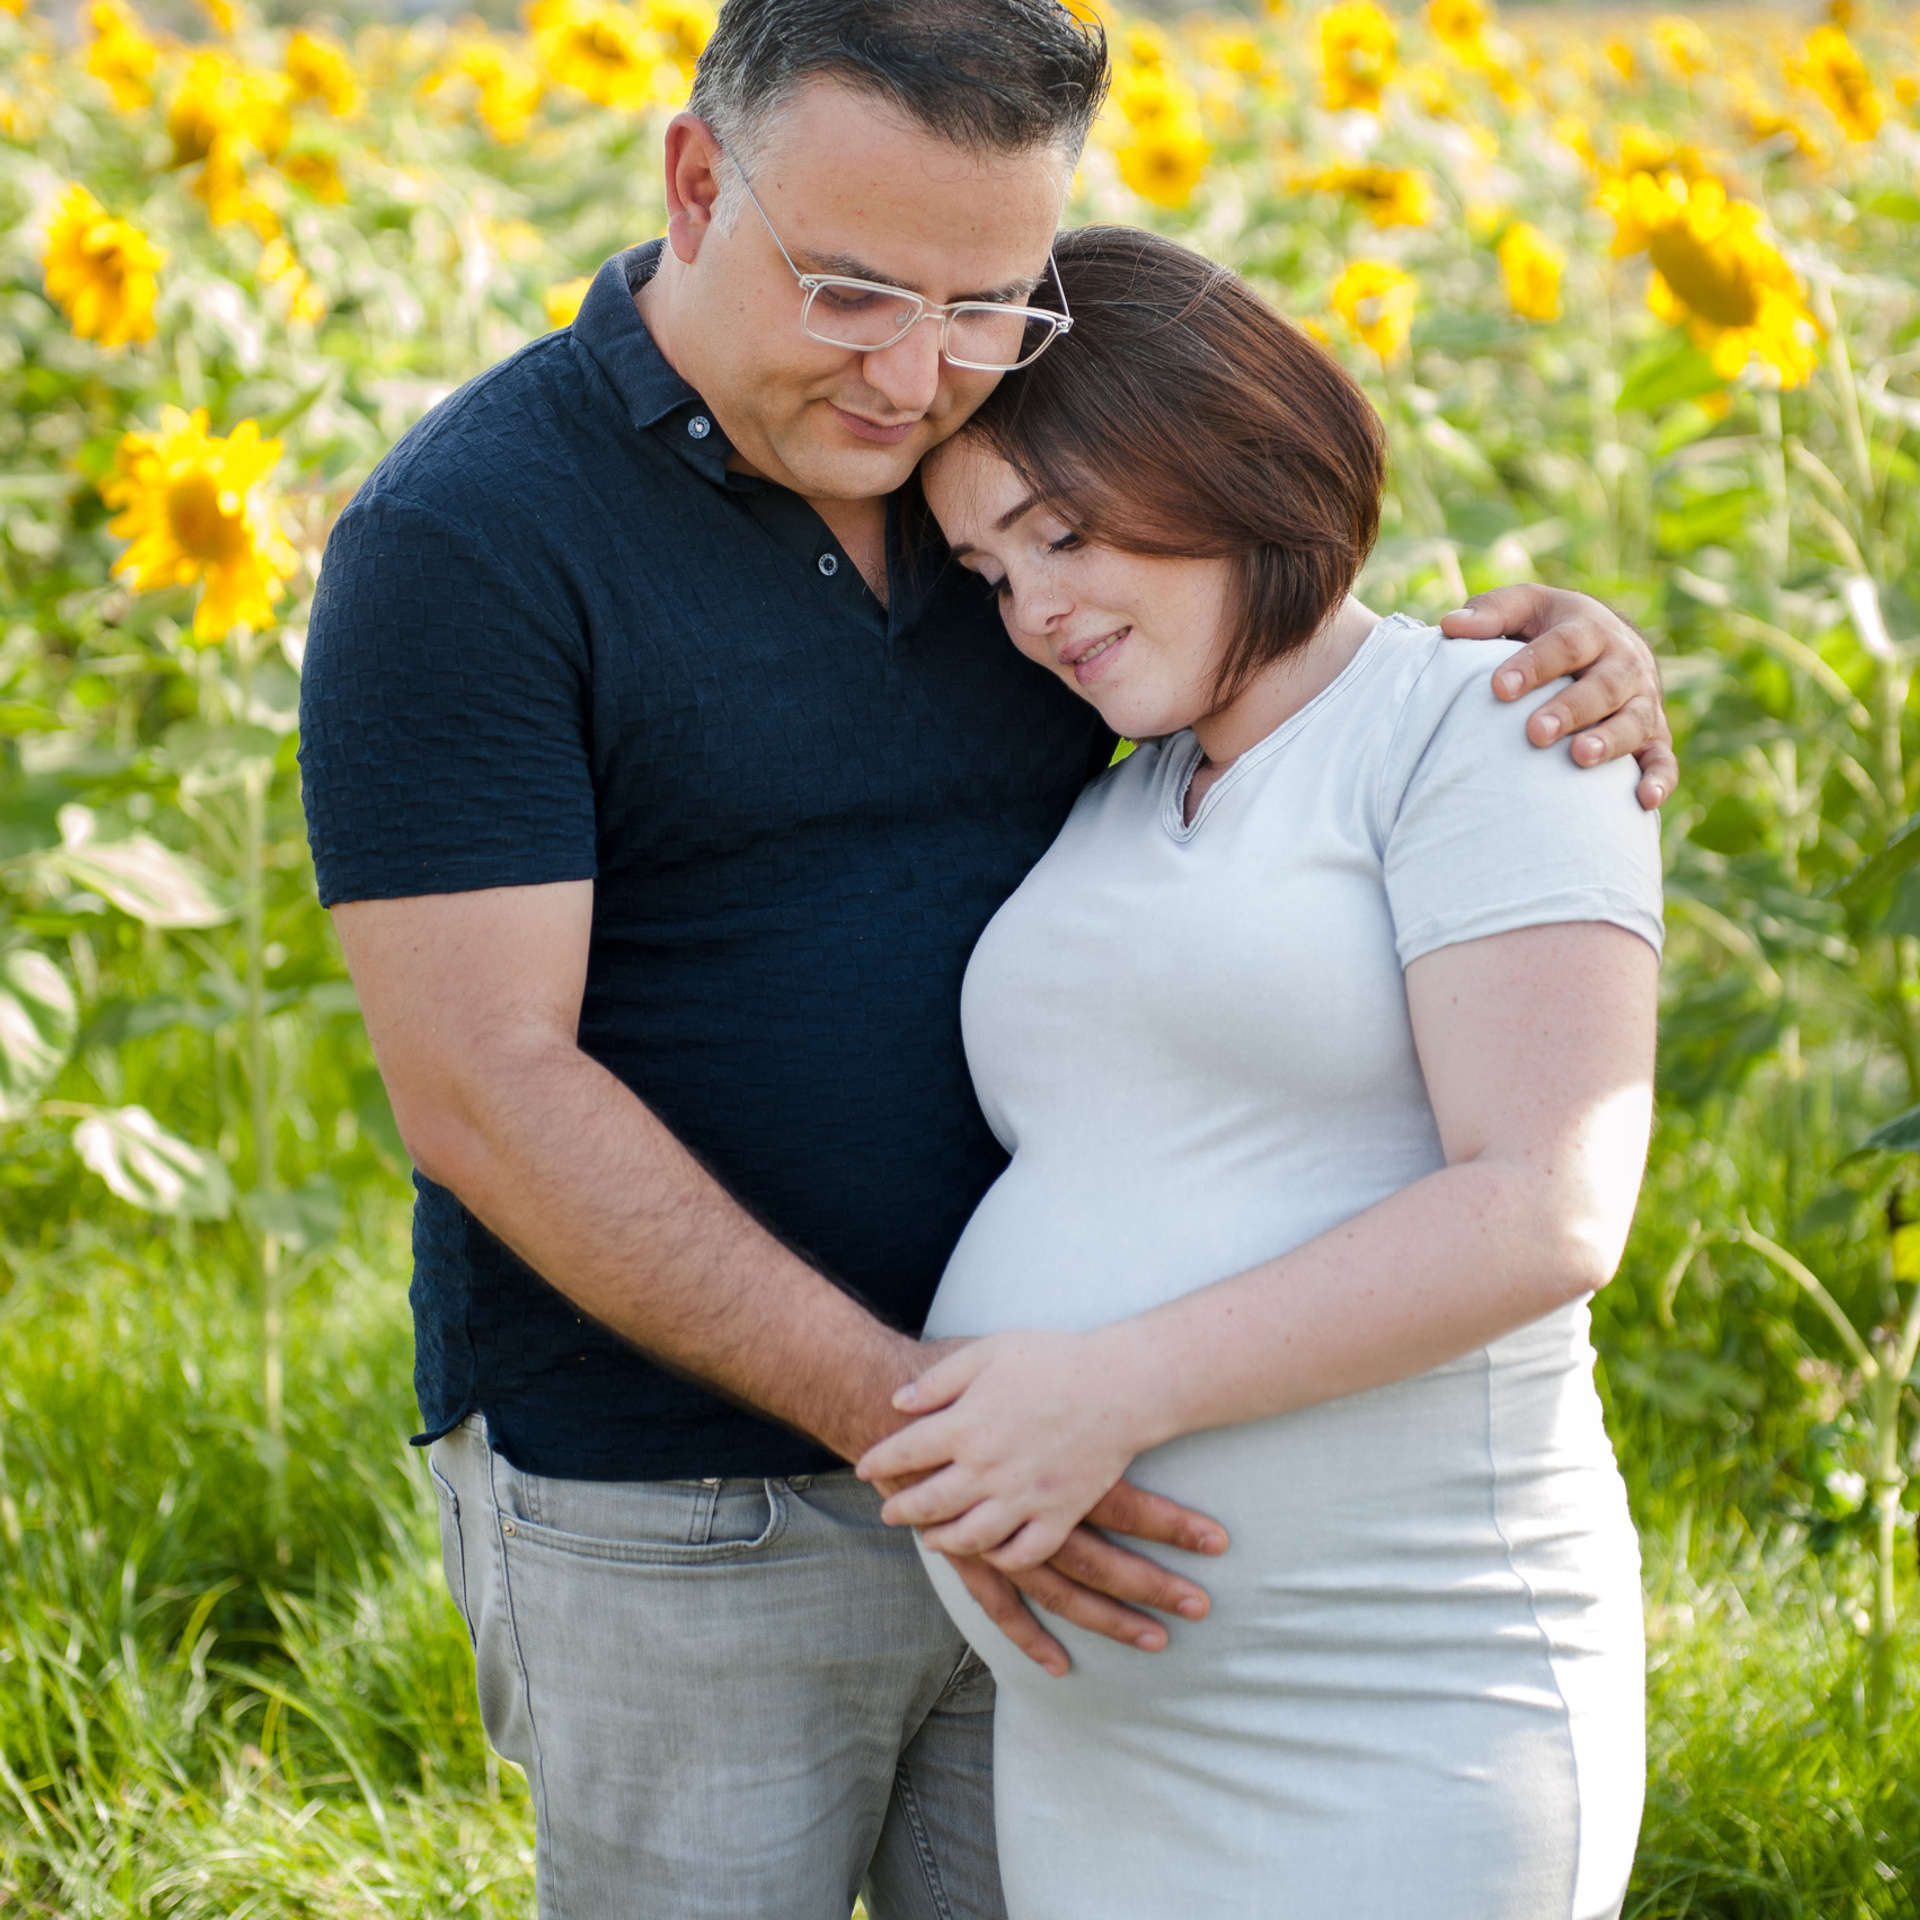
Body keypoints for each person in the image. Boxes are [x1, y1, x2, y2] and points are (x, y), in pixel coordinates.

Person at [297, 3, 1676, 1914]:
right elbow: (481, 1089)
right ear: (697, 182)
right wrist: (938, 1430)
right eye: (855, 292)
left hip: (1113, 1528)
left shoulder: (992, 458)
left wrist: (1555, 659)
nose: (917, 372)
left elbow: (1268, 663)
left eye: (986, 303)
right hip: (702, 1502)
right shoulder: (468, 542)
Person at [858, 224, 1663, 1920]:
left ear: (1229, 454)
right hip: (1099, 1744)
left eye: (1062, 533)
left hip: (1402, 1700)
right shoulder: (1118, 797)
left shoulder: (1490, 720)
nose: (1037, 611)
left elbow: (1547, 1208)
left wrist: (1111, 1392)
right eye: (991, 573)